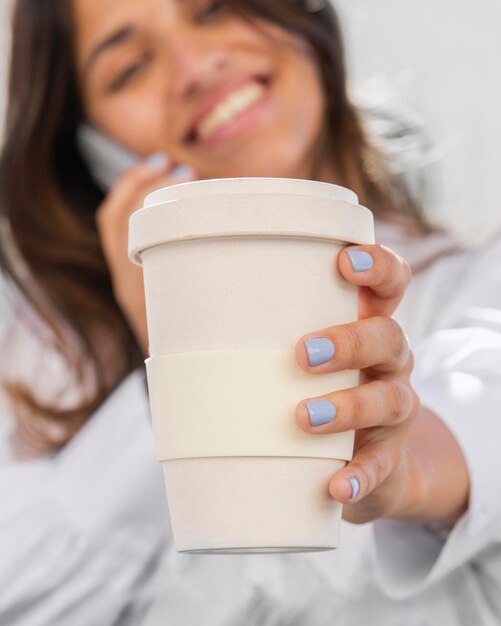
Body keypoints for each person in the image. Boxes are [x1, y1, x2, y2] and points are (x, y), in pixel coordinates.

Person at [0, 0, 500, 624]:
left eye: (214, 9)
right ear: (95, 151)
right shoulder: (48, 379)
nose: (195, 66)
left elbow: (477, 420)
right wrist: (175, 360)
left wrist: (400, 464)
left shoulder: (481, 285)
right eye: (129, 68)